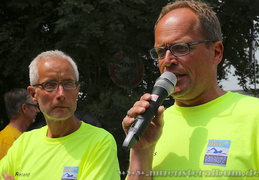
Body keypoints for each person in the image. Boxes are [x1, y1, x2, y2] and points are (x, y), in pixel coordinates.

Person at [122, 1, 259, 179]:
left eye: (180, 48)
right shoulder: (150, 125)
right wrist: (141, 152)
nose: (168, 60)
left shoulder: (254, 115)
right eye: (161, 52)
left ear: (216, 52)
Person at [0, 50, 120, 180]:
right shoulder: (23, 143)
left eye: (68, 84)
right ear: (33, 94)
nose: (61, 94)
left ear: (77, 91)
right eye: (50, 85)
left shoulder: (100, 142)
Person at [0, 88, 40, 160]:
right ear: (24, 108)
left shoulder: (19, 136)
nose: (38, 111)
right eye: (35, 106)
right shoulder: (7, 139)